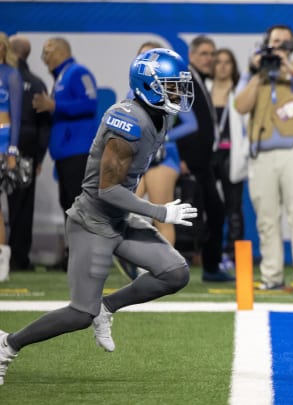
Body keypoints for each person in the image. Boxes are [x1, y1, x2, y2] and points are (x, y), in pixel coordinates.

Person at [0, 48, 198, 385]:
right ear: (149, 85)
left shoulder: (158, 114)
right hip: (92, 221)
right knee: (80, 313)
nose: (178, 93)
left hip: (118, 219)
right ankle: (8, 345)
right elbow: (107, 190)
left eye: (179, 85)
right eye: (171, 85)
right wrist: (159, 211)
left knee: (175, 273)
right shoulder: (128, 122)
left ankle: (107, 307)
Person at [234, 24, 293, 293]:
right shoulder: (255, 73)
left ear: (292, 46)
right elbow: (240, 106)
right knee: (266, 218)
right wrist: (256, 74)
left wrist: (289, 68)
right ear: (265, 43)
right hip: (261, 154)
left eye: (285, 43)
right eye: (275, 42)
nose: (279, 47)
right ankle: (272, 276)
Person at [114, 41, 198, 280]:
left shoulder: (173, 86)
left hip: (164, 156)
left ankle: (163, 268)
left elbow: (192, 123)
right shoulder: (133, 92)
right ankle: (142, 259)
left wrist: (163, 137)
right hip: (141, 154)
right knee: (126, 209)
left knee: (162, 213)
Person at [33, 37, 98, 271]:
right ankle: (73, 254)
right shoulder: (60, 78)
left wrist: (55, 106)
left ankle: (85, 257)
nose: (44, 56)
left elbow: (90, 103)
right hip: (65, 154)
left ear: (62, 52)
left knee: (78, 206)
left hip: (78, 152)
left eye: (48, 51)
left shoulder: (78, 72)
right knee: (68, 204)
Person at [176, 36, 233, 282]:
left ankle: (210, 266)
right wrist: (179, 156)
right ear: (191, 55)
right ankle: (206, 266)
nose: (209, 58)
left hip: (202, 160)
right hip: (191, 161)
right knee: (203, 213)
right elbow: (176, 119)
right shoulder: (186, 78)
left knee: (214, 211)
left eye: (212, 54)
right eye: (204, 54)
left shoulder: (199, 80)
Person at [7, 35, 52, 273]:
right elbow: (44, 124)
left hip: (11, 146)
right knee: (23, 205)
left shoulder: (9, 78)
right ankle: (18, 258)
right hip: (26, 149)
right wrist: (39, 156)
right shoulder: (35, 83)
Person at [207, 48, 248, 271]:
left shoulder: (240, 91)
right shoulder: (205, 89)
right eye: (218, 62)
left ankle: (233, 254)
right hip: (209, 154)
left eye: (227, 62)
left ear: (233, 66)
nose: (222, 66)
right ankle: (208, 253)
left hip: (233, 154)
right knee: (209, 206)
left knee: (234, 207)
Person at [0, 33, 23, 281]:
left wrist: (13, 150)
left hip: (2, 140)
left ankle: (2, 261)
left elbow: (16, 116)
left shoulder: (11, 75)